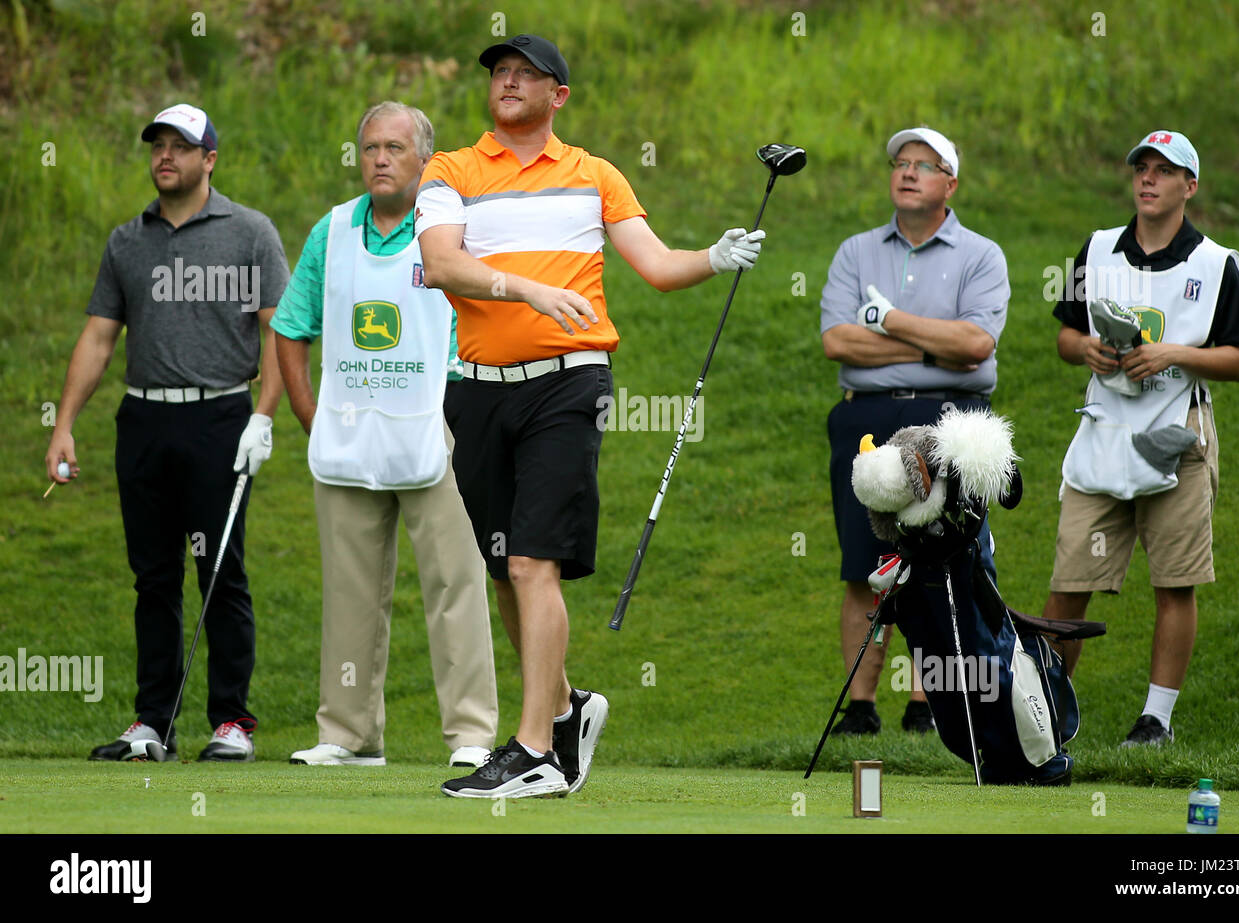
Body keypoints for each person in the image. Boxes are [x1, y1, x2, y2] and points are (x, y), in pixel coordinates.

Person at [415, 34, 766, 798]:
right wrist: (530, 290)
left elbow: (657, 263)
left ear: (558, 96)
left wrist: (713, 254)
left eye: (524, 74)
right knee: (506, 569)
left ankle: (534, 747)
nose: (506, 82)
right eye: (498, 73)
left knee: (535, 560)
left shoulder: (594, 175)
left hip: (567, 386)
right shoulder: (449, 172)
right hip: (475, 390)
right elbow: (441, 264)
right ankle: (569, 707)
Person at [44, 103, 289, 762]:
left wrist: (263, 416)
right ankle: (153, 722)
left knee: (222, 571)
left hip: (220, 417)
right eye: (157, 145)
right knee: (152, 577)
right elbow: (99, 337)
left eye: (180, 147)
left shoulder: (251, 233)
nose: (165, 156)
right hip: (145, 419)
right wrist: (63, 424)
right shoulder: (128, 241)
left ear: (209, 159)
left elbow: (279, 334)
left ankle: (231, 721)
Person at [272, 101, 498, 769]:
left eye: (394, 147)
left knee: (457, 584)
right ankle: (348, 734)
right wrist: (310, 415)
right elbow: (290, 325)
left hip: (438, 433)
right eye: (370, 146)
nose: (378, 158)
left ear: (424, 160)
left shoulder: (452, 230)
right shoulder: (333, 231)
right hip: (347, 437)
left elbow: (486, 317)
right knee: (348, 589)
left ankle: (471, 734)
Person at [1043, 130, 1239, 747]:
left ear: (1189, 186)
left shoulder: (1216, 264)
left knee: (1174, 580)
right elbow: (1065, 337)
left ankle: (1155, 720)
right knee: (1070, 579)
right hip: (1104, 431)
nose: (1148, 179)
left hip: (1177, 434)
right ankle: (1047, 716)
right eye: (1142, 167)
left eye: (1164, 171)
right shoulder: (1098, 249)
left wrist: (1172, 353)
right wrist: (1085, 347)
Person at [820, 127, 1010, 737]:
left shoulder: (981, 255)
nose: (907, 173)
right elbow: (838, 342)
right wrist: (935, 345)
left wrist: (889, 324)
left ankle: (930, 706)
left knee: (943, 563)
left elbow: (977, 346)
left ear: (949, 185)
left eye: (924, 166)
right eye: (901, 163)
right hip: (867, 419)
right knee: (865, 564)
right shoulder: (855, 251)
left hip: (948, 423)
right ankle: (861, 706)